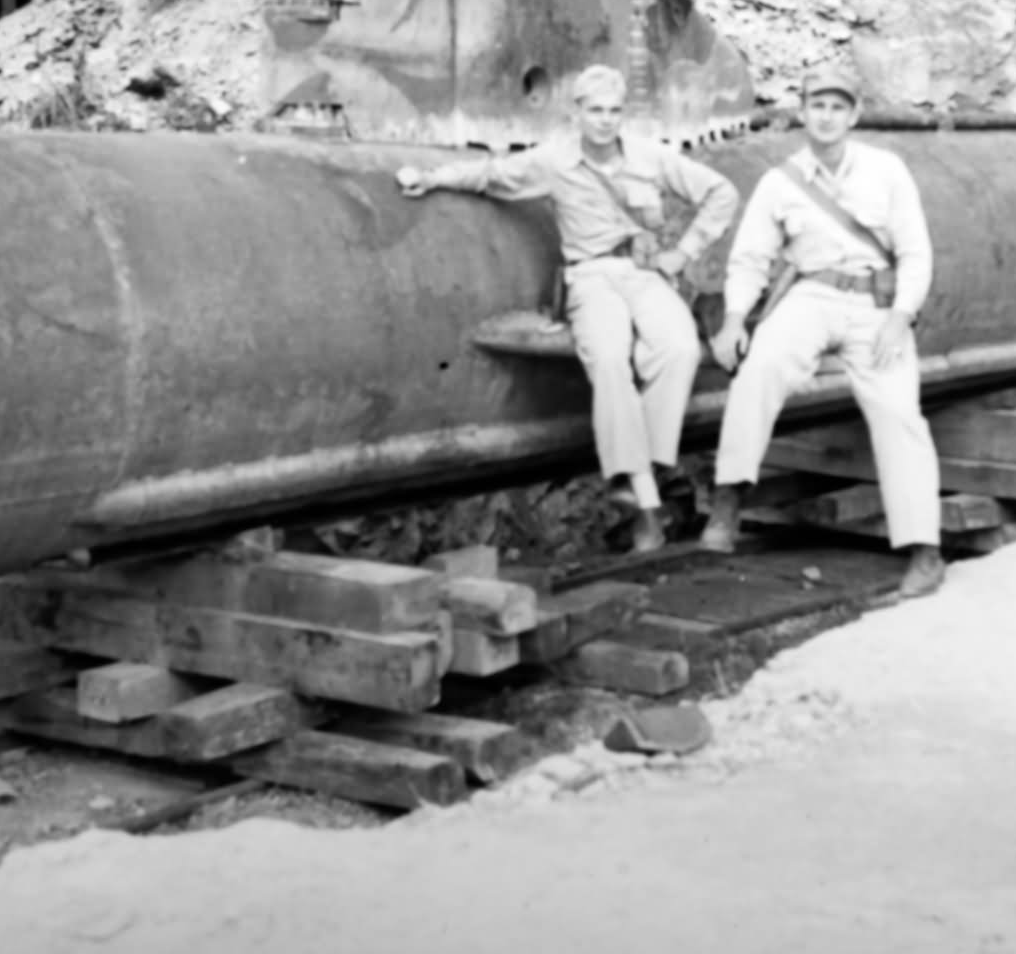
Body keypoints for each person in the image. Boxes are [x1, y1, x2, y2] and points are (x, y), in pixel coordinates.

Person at [397, 65, 738, 553]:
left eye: (614, 111)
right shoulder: (553, 162)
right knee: (609, 358)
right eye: (595, 111)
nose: (605, 121)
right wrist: (431, 178)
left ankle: (647, 470)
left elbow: (720, 193)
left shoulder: (650, 157)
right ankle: (639, 494)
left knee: (681, 348)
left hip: (646, 274)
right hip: (592, 277)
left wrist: (683, 252)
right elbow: (492, 176)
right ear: (576, 113)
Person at [700, 62, 948, 599]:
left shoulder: (887, 170)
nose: (827, 117)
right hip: (810, 295)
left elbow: (915, 252)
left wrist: (901, 317)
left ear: (853, 114)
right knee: (758, 370)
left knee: (898, 410)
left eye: (838, 107)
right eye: (817, 106)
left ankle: (924, 550)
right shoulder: (779, 182)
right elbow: (749, 258)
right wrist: (735, 319)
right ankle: (728, 500)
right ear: (802, 113)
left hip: (874, 301)